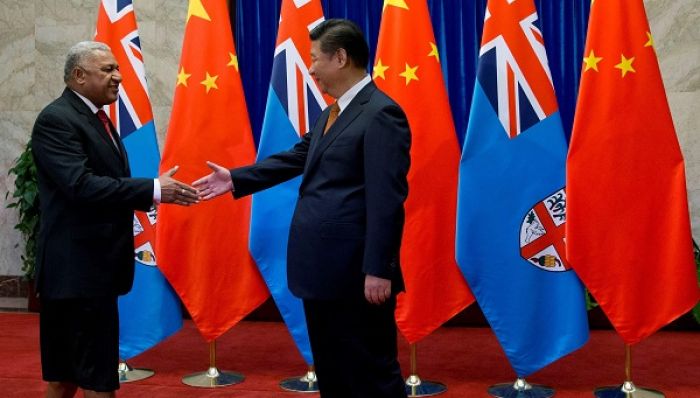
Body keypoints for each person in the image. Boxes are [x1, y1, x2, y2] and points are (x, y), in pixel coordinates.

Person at [194, 19, 410, 398]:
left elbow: (386, 200)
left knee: (371, 372)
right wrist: (237, 179)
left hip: (357, 275)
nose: (309, 69)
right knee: (333, 368)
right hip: (323, 271)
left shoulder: (381, 113)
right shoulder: (332, 112)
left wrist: (379, 268)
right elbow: (298, 156)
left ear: (340, 57)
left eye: (314, 59)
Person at [31, 41, 198, 398]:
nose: (119, 77)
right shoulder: (57, 119)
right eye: (107, 69)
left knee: (71, 374)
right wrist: (153, 189)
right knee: (93, 377)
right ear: (78, 76)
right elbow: (80, 185)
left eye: (118, 68)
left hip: (92, 272)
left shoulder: (96, 118)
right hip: (75, 272)